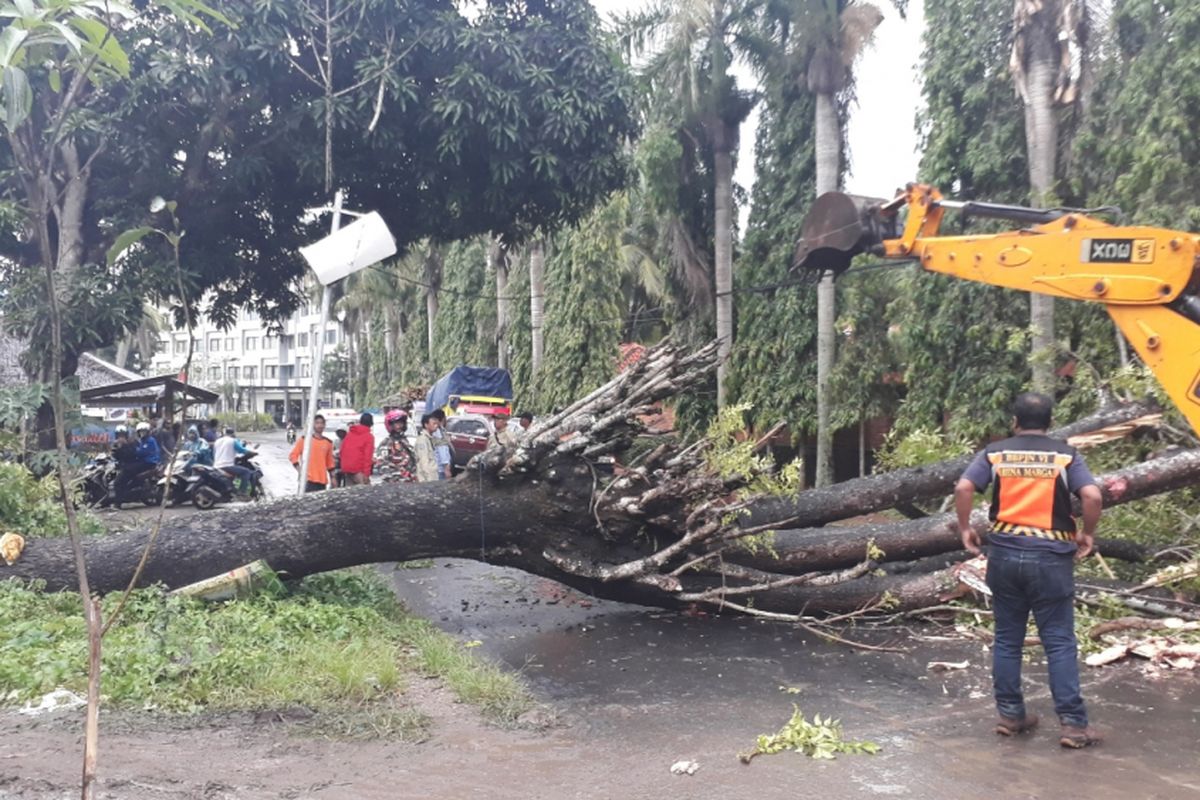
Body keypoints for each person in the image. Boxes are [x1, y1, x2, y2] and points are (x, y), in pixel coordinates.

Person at [955, 392, 1103, 749]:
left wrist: (964, 528)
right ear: (1050, 422)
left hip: (1004, 555)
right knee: (1059, 641)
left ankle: (1010, 715)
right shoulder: (1064, 455)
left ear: (1015, 421)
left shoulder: (996, 452)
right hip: (1051, 558)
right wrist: (1088, 534)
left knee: (1008, 639)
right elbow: (1093, 497)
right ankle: (1073, 726)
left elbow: (963, 486)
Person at [111, 421, 161, 507]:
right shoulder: (140, 441)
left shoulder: (144, 441)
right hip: (139, 462)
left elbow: (136, 453)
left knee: (119, 481)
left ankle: (118, 503)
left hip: (147, 463)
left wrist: (125, 446)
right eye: (119, 435)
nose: (142, 433)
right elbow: (117, 455)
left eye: (144, 431)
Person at [289, 414, 335, 492]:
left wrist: (333, 478)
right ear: (313, 425)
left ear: (324, 425)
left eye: (321, 423)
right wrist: (300, 470)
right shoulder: (305, 440)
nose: (319, 425)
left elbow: (329, 463)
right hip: (307, 480)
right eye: (317, 423)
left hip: (322, 481)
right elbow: (293, 455)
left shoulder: (328, 443)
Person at [213, 426, 257, 497]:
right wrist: (252, 453)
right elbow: (242, 450)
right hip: (227, 465)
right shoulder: (232, 441)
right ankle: (242, 492)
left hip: (216, 465)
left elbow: (215, 453)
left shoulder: (217, 441)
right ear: (233, 434)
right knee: (246, 472)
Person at [376, 409, 417, 483]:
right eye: (396, 423)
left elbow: (412, 461)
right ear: (391, 425)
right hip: (394, 484)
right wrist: (396, 475)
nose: (399, 426)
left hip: (409, 482)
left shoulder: (405, 442)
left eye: (401, 423)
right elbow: (382, 464)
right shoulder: (386, 443)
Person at [339, 412, 376, 486]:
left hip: (346, 468)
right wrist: (366, 474)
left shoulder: (350, 434)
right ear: (371, 424)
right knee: (364, 494)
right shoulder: (369, 437)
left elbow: (342, 450)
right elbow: (367, 457)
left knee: (349, 494)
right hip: (358, 470)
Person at [413, 413, 440, 483]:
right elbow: (424, 461)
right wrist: (427, 481)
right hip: (427, 478)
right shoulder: (422, 440)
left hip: (433, 476)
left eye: (436, 423)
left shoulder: (430, 438)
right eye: (433, 423)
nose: (436, 426)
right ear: (426, 425)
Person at [429, 408, 453, 480]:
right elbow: (442, 450)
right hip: (440, 469)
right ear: (442, 419)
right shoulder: (438, 432)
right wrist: (446, 468)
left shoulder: (440, 430)